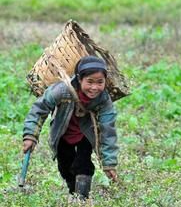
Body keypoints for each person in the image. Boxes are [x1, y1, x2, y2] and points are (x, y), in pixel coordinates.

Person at [22, 56, 118, 199]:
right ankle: (74, 190)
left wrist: (109, 163)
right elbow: (39, 110)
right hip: (62, 132)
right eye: (89, 82)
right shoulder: (61, 90)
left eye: (100, 82)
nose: (94, 87)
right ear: (79, 80)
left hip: (86, 133)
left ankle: (82, 199)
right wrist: (31, 135)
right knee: (65, 167)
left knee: (83, 164)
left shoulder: (103, 99)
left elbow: (108, 130)